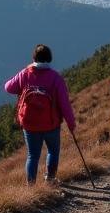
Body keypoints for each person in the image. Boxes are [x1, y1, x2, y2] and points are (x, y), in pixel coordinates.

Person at [5, 44, 76, 186]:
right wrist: (71, 123)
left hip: (30, 124)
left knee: (32, 156)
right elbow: (64, 104)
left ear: (34, 57)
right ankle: (50, 179)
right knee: (53, 152)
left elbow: (8, 87)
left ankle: (30, 186)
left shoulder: (25, 74)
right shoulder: (56, 78)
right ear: (49, 58)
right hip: (51, 123)